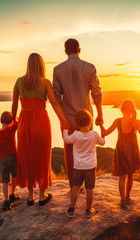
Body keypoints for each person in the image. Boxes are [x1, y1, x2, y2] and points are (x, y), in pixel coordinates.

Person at [12, 53, 70, 206]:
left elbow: (13, 108)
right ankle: (42, 196)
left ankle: (30, 196)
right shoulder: (45, 83)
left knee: (27, 157)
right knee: (42, 157)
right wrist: (64, 122)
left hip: (24, 123)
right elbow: (55, 104)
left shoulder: (18, 82)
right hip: (41, 123)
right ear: (41, 66)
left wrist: (14, 124)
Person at [53, 38, 103, 190]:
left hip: (67, 117)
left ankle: (73, 184)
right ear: (79, 49)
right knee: (87, 150)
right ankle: (87, 184)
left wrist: (62, 120)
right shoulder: (89, 67)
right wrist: (100, 115)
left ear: (65, 51)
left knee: (69, 152)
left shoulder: (58, 69)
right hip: (86, 117)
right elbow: (96, 93)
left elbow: (56, 98)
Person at [99, 99, 140, 207]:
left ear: (121, 109)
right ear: (132, 109)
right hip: (132, 149)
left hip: (121, 149)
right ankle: (127, 196)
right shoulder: (136, 122)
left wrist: (100, 124)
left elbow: (105, 133)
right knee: (130, 175)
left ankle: (122, 200)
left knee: (122, 176)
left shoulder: (118, 121)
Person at [63, 110, 105, 218]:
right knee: (89, 189)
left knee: (75, 187)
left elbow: (67, 140)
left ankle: (71, 209)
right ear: (90, 122)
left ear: (77, 124)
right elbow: (102, 143)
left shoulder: (76, 135)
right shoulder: (94, 134)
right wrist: (102, 132)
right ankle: (88, 210)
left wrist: (64, 129)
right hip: (90, 167)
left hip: (78, 167)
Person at [0, 111, 21, 211]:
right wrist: (15, 117)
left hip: (3, 159)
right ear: (11, 121)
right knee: (14, 176)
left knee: (5, 180)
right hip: (13, 157)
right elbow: (19, 121)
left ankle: (6, 201)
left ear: (1, 120)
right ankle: (12, 194)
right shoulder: (11, 129)